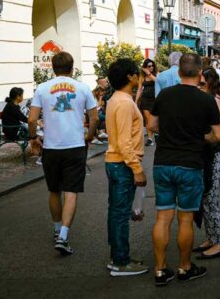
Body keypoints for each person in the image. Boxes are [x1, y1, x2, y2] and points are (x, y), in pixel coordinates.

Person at [148, 53, 220, 286]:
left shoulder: (165, 95)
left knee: (163, 217)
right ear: (200, 73)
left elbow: (151, 125)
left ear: (179, 72)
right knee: (185, 218)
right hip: (190, 164)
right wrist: (201, 138)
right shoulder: (206, 100)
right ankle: (184, 267)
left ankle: (160, 270)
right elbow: (218, 135)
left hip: (163, 162)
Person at [28, 51, 98, 256]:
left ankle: (57, 229)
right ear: (72, 67)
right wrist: (90, 136)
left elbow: (32, 119)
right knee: (71, 191)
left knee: (54, 191)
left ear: (52, 67)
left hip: (51, 147)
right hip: (75, 146)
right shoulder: (83, 87)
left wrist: (33, 138)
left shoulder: (42, 88)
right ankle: (64, 236)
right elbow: (94, 118)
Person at [104, 59, 148, 277]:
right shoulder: (124, 103)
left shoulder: (118, 99)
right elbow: (124, 142)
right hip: (122, 163)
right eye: (137, 74)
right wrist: (136, 168)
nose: (139, 77)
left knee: (116, 212)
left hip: (116, 162)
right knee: (120, 214)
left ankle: (118, 257)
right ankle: (121, 261)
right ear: (130, 77)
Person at [193, 67, 220, 260]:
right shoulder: (208, 99)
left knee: (211, 199)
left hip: (216, 155)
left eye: (200, 83)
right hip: (209, 154)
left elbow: (217, 135)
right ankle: (211, 238)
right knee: (206, 197)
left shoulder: (215, 101)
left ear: (208, 83)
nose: (197, 87)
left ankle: (219, 243)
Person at [135, 59, 158, 146]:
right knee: (148, 119)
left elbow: (157, 81)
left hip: (155, 100)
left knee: (154, 119)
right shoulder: (142, 76)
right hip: (145, 100)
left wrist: (149, 73)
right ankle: (149, 138)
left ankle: (156, 133)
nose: (151, 67)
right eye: (149, 66)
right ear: (145, 67)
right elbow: (139, 89)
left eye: (152, 66)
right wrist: (136, 101)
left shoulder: (156, 74)